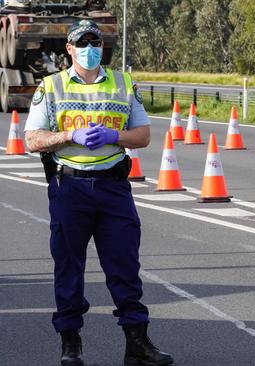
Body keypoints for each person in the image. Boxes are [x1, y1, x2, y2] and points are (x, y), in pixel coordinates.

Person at [24, 20, 173, 366]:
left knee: (125, 266)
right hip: (70, 188)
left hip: (113, 187)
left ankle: (137, 343)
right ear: (70, 50)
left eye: (96, 42)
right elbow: (33, 140)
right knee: (69, 267)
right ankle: (70, 344)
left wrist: (112, 136)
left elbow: (142, 136)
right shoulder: (51, 86)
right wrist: (68, 137)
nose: (90, 48)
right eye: (82, 43)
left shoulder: (123, 83)